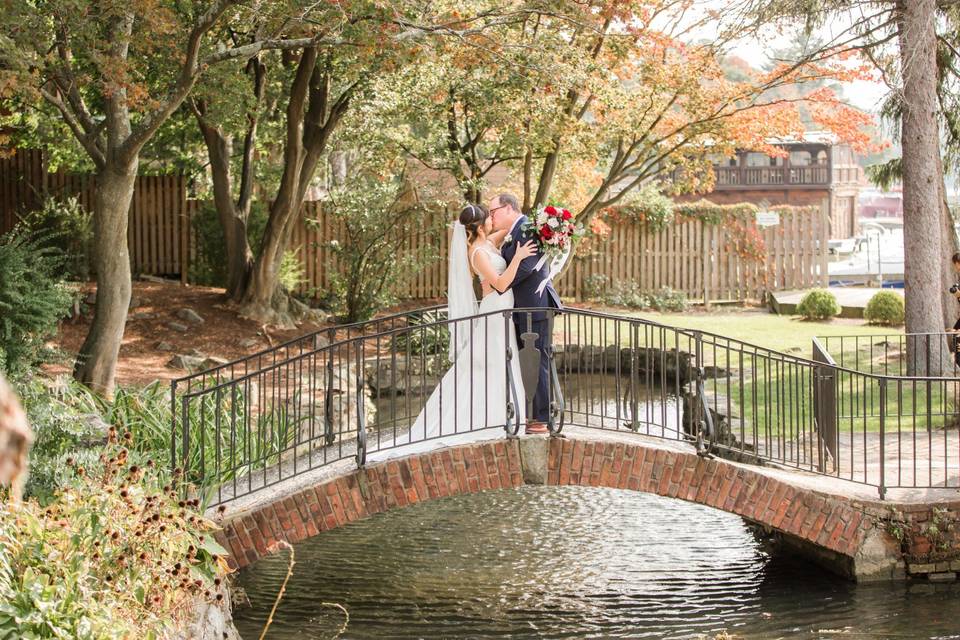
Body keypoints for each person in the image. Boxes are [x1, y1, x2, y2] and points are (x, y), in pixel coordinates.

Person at [369, 204, 537, 459]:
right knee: (491, 364)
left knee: (500, 363)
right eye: (489, 218)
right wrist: (519, 257)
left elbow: (509, 227)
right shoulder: (478, 252)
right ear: (480, 227)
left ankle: (502, 415)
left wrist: (542, 225)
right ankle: (488, 419)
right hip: (495, 310)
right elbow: (502, 284)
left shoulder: (488, 242)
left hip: (503, 311)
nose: (493, 220)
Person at [488, 193, 564, 434]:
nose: (491, 216)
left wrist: (502, 282)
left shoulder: (527, 229)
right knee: (527, 361)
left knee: (537, 360)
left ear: (509, 208)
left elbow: (527, 265)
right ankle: (533, 414)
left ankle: (541, 419)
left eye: (494, 211)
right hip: (523, 307)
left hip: (535, 306)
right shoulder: (514, 230)